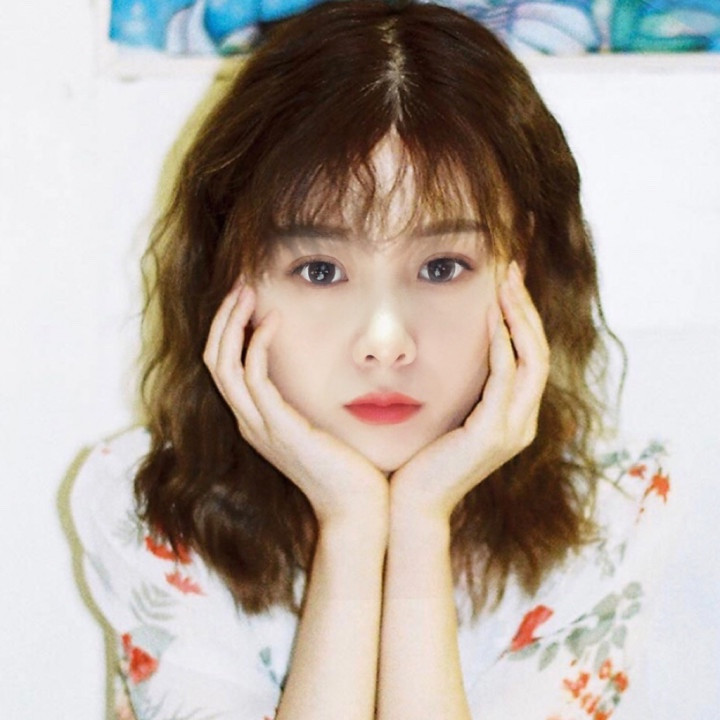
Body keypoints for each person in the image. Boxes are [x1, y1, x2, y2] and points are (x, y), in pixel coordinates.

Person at [71, 2, 673, 718]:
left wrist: (419, 523)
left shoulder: (611, 510)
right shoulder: (147, 506)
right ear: (231, 274)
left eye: (442, 267)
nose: (386, 341)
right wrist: (352, 527)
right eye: (321, 270)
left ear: (524, 269)